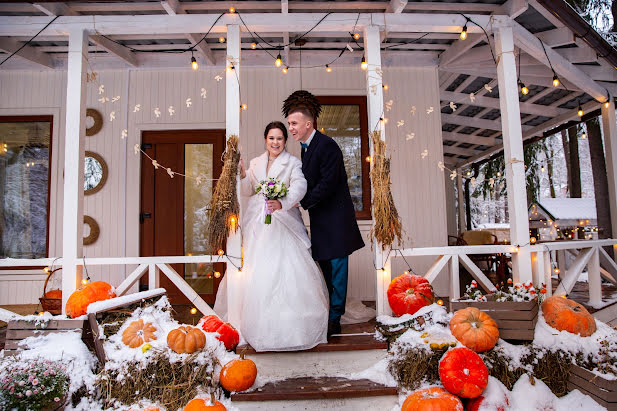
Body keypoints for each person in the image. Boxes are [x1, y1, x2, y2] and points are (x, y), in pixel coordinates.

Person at [214, 121, 328, 351]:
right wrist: (244, 174)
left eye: (279, 139)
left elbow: (300, 186)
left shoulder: (293, 163)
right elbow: (248, 191)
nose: (275, 142)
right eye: (271, 138)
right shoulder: (256, 162)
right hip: (258, 222)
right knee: (255, 271)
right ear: (265, 140)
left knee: (287, 271)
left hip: (283, 221)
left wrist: (282, 203)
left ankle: (290, 327)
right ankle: (249, 323)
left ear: (285, 141)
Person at [284, 90, 365, 338]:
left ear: (308, 124)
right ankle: (329, 311)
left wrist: (301, 201)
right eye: (289, 124)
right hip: (321, 220)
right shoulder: (306, 149)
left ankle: (335, 319)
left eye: (294, 123)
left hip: (336, 220)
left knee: (338, 269)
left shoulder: (327, 145)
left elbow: (328, 183)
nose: (291, 128)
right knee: (326, 269)